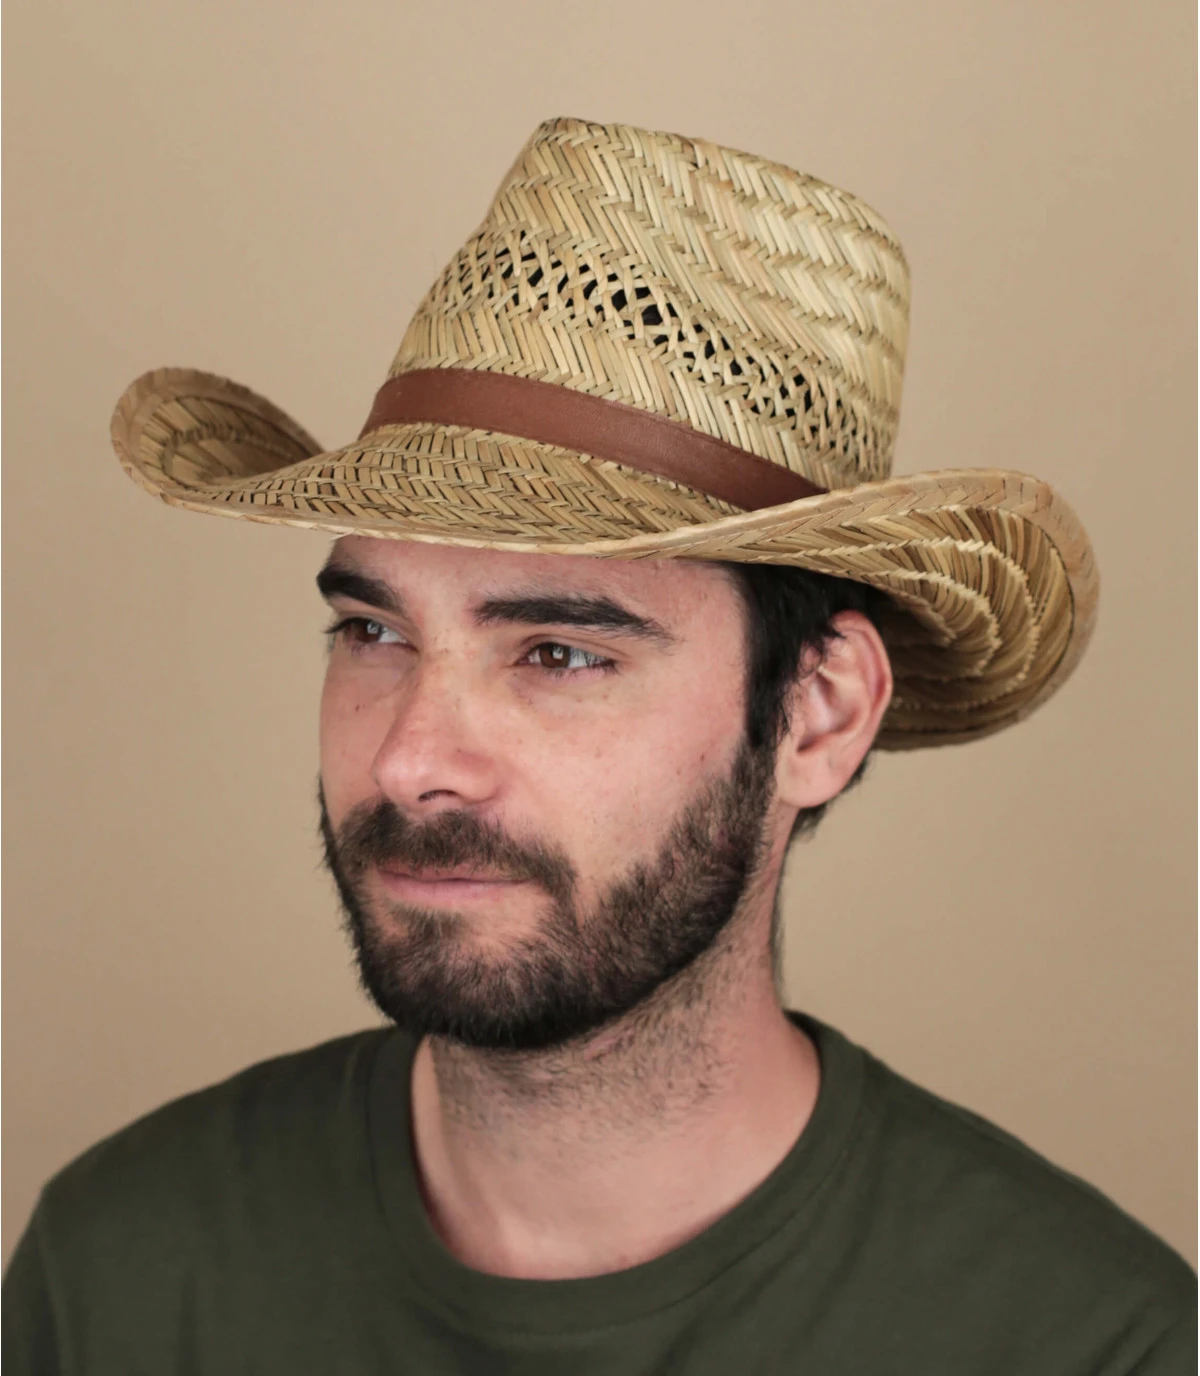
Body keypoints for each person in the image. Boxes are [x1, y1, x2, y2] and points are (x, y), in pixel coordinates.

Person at [4, 116, 1193, 1373]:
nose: (410, 759)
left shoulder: (1089, 1342)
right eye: (373, 629)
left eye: (561, 652)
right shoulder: (122, 1275)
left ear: (820, 712)